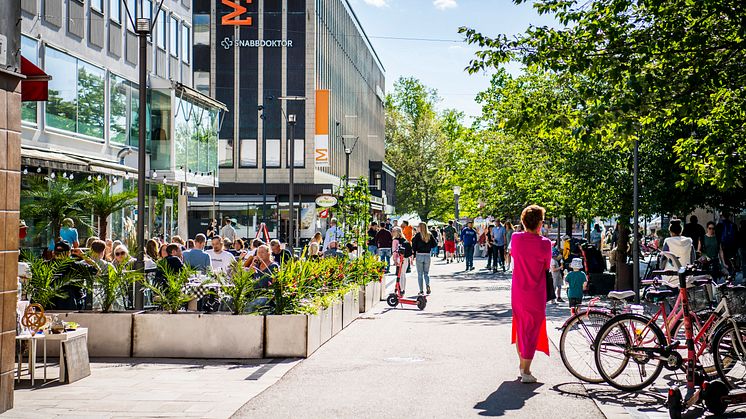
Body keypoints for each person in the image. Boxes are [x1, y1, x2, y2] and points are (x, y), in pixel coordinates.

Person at [511, 204, 552, 384]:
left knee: (521, 326)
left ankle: (522, 365)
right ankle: (526, 371)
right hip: (535, 292)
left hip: (518, 290)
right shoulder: (545, 244)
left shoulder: (516, 238)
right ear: (540, 223)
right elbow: (546, 266)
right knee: (532, 329)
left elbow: (513, 254)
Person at [661, 219, 697, 286]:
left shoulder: (668, 241)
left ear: (670, 231)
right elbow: (693, 258)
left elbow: (664, 259)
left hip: (671, 276)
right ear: (681, 230)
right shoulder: (689, 241)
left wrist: (661, 268)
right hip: (686, 276)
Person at [412, 222, 437, 295]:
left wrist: (414, 254)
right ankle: (428, 285)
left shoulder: (417, 235)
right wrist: (429, 246)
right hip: (427, 255)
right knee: (426, 273)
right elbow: (434, 244)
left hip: (419, 254)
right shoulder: (429, 235)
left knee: (420, 274)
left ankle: (421, 290)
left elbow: (414, 246)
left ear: (420, 227)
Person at [392, 227, 411, 295]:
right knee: (403, 274)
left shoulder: (395, 240)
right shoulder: (404, 240)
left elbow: (394, 251)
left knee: (399, 274)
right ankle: (403, 289)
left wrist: (394, 260)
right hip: (406, 258)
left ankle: (399, 289)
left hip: (399, 258)